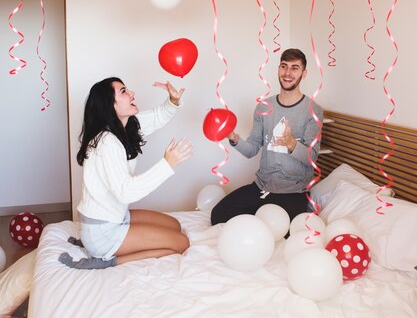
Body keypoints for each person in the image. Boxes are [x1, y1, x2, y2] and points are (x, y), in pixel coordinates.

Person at [59, 77, 192, 269]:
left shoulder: (125, 127)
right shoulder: (107, 142)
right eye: (123, 91)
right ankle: (106, 260)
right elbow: (126, 192)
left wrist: (172, 100)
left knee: (175, 226)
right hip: (103, 233)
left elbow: (156, 117)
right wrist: (167, 164)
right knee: (181, 244)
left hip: (115, 217)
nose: (132, 93)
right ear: (109, 105)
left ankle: (106, 247)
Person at [211, 48, 323, 225]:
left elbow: (312, 158)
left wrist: (291, 143)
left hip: (293, 192)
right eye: (284, 66)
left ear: (304, 73)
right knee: (218, 216)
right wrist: (233, 137)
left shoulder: (313, 110)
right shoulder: (264, 107)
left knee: (281, 231)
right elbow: (251, 149)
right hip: (262, 187)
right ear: (278, 69)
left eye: (295, 68)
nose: (287, 73)